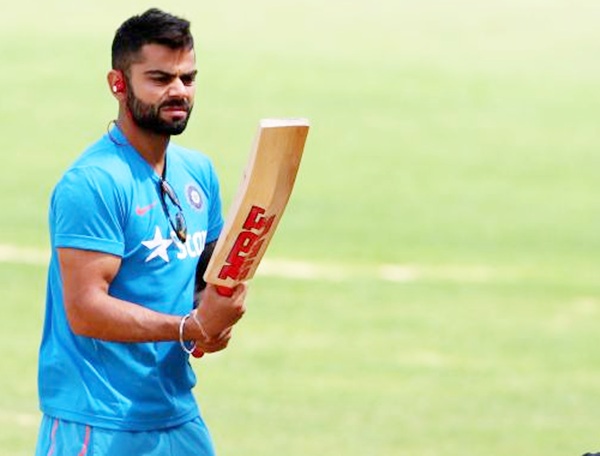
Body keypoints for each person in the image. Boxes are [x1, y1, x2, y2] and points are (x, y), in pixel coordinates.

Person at [35, 8, 247, 456]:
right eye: (159, 78)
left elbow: (200, 279)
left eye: (187, 79)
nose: (178, 92)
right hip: (97, 422)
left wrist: (214, 313)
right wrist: (189, 326)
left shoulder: (199, 173)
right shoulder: (92, 183)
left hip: (176, 413)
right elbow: (86, 309)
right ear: (118, 83)